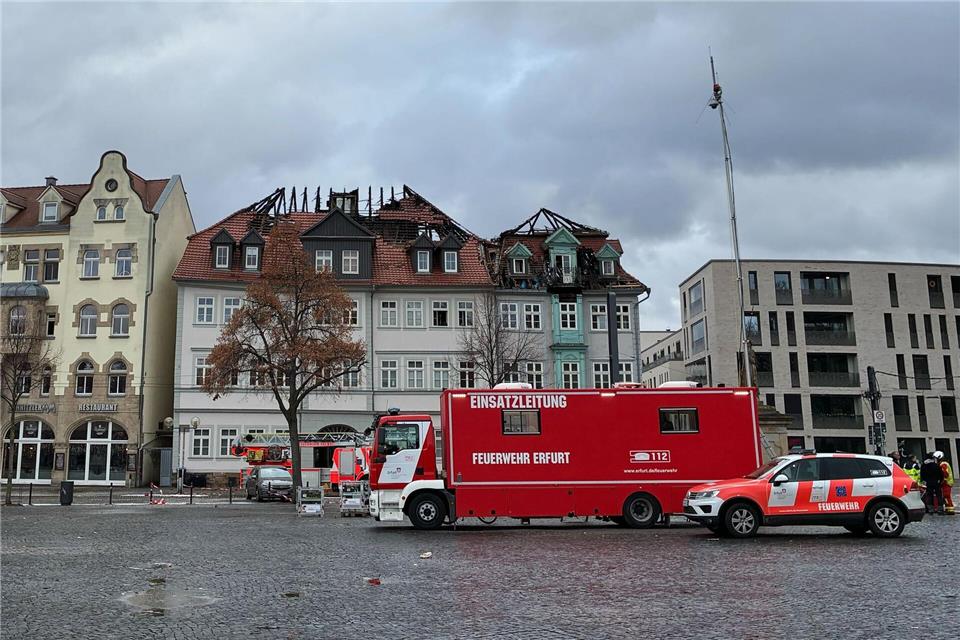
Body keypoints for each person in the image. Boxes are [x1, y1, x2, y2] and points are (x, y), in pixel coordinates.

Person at [935, 451, 954, 516]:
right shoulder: (944, 463)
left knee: (946, 496)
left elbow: (945, 474)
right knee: (945, 496)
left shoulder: (943, 464)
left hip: (946, 483)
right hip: (946, 482)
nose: (935, 460)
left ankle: (950, 510)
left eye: (936, 458)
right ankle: (948, 509)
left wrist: (941, 481)